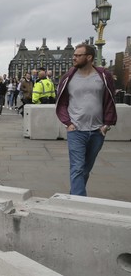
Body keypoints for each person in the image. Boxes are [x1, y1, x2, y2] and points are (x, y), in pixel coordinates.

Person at [56, 43, 117, 196]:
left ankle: (74, 195)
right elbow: (61, 102)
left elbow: (110, 99)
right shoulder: (68, 77)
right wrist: (68, 123)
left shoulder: (103, 75)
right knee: (77, 167)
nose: (74, 57)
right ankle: (79, 204)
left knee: (85, 169)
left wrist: (106, 125)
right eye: (74, 55)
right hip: (76, 130)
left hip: (97, 131)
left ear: (89, 57)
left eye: (78, 55)